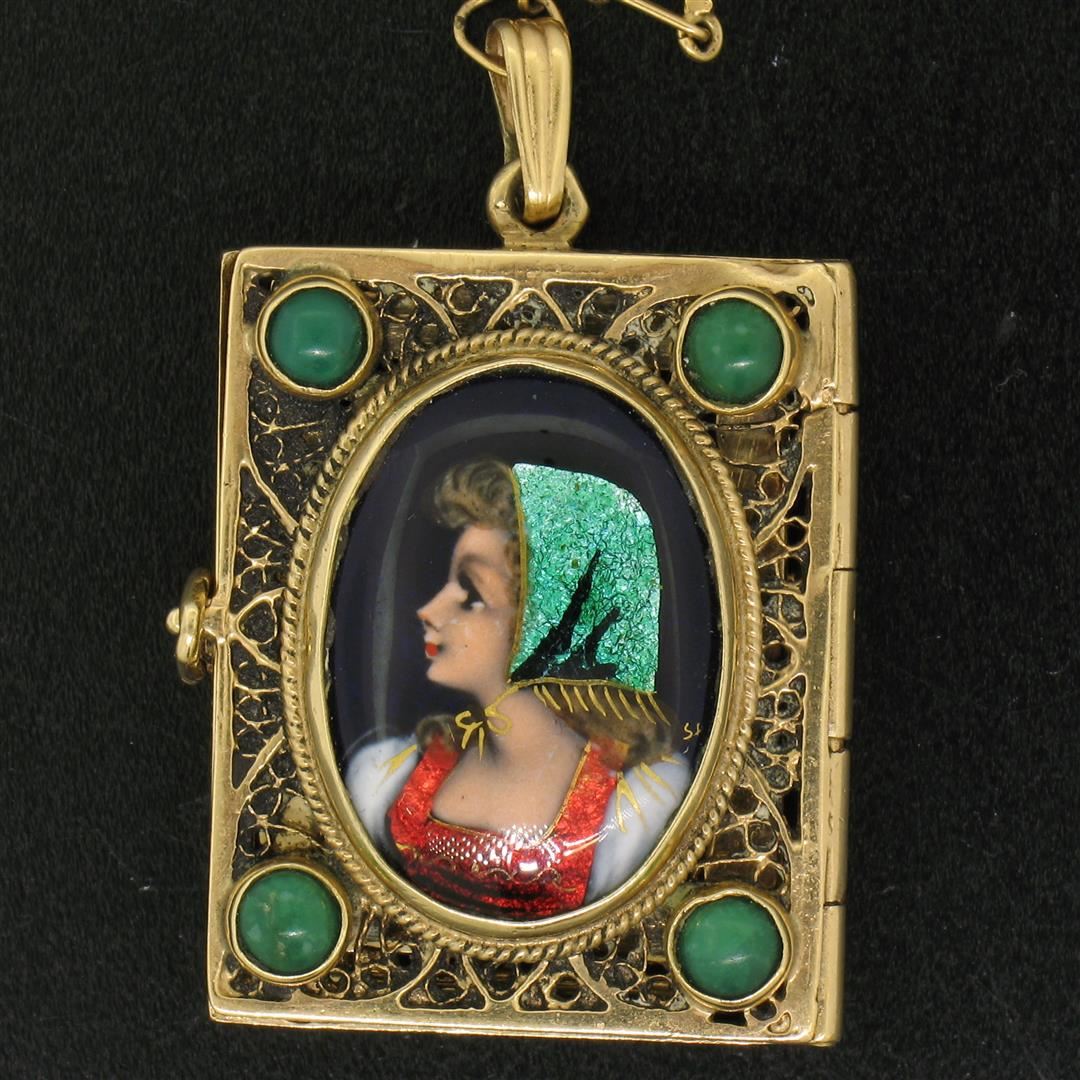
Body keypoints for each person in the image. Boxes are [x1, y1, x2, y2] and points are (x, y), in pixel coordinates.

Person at [346, 459, 690, 919]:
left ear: (551, 626)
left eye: (471, 593)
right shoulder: (386, 775)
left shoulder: (639, 803)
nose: (429, 610)